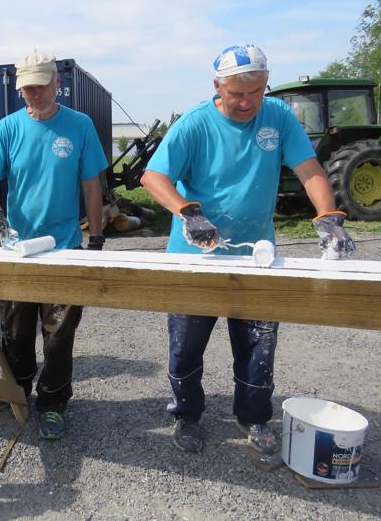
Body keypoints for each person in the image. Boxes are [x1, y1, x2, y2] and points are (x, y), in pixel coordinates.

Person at [141, 44, 356, 454]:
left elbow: (309, 169)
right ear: (217, 86)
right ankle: (187, 414)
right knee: (185, 347)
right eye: (236, 94)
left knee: (259, 345)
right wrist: (187, 212)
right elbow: (153, 177)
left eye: (256, 92)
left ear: (265, 84)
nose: (246, 102)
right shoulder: (195, 124)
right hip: (195, 258)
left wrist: (329, 216)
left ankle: (254, 417)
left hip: (257, 256)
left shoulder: (278, 116)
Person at [0, 51, 109, 439]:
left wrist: (96, 238)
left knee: (59, 334)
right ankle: (15, 390)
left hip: (63, 247)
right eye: (27, 88)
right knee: (15, 331)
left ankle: (52, 402)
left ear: (56, 83)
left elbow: (91, 186)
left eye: (40, 86)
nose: (33, 94)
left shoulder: (79, 125)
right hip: (18, 248)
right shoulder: (9, 128)